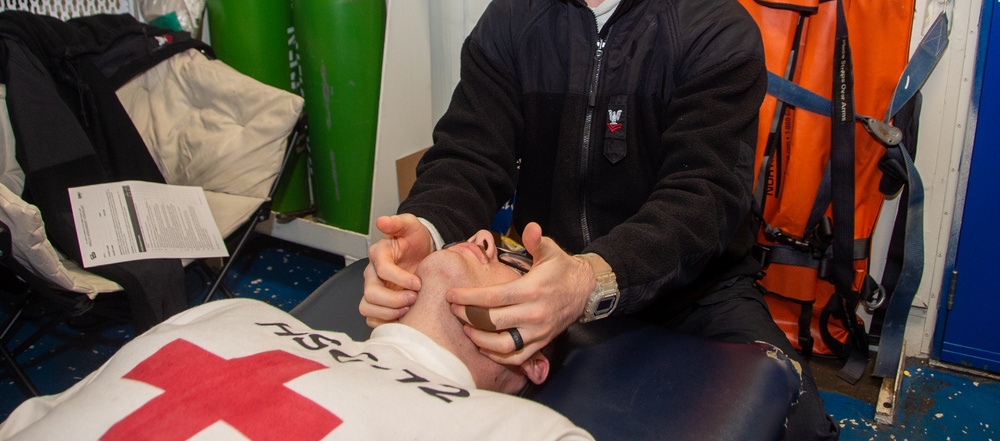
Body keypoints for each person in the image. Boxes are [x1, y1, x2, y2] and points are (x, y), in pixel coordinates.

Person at [360, 0, 839, 441]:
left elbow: (702, 199)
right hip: (542, 270)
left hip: (690, 293)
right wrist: (424, 228)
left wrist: (591, 279)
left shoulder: (715, 33)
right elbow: (470, 156)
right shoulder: (512, 25)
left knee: (797, 421)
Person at [0, 231, 593, 441]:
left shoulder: (516, 430)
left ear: (534, 358)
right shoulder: (238, 315)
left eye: (513, 262)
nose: (486, 238)